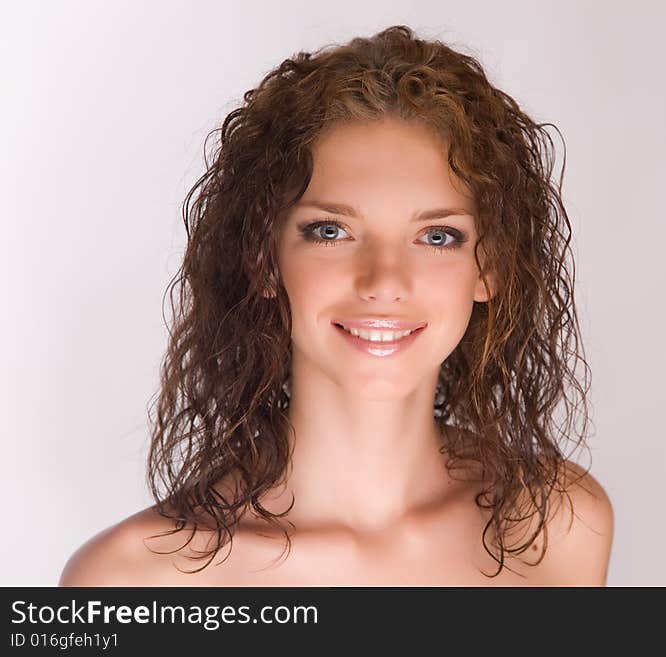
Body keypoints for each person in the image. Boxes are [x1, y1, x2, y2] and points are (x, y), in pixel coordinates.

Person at [59, 25, 613, 586]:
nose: (384, 281)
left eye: (438, 236)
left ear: (489, 267)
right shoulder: (134, 581)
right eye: (331, 231)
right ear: (263, 258)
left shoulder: (559, 526)